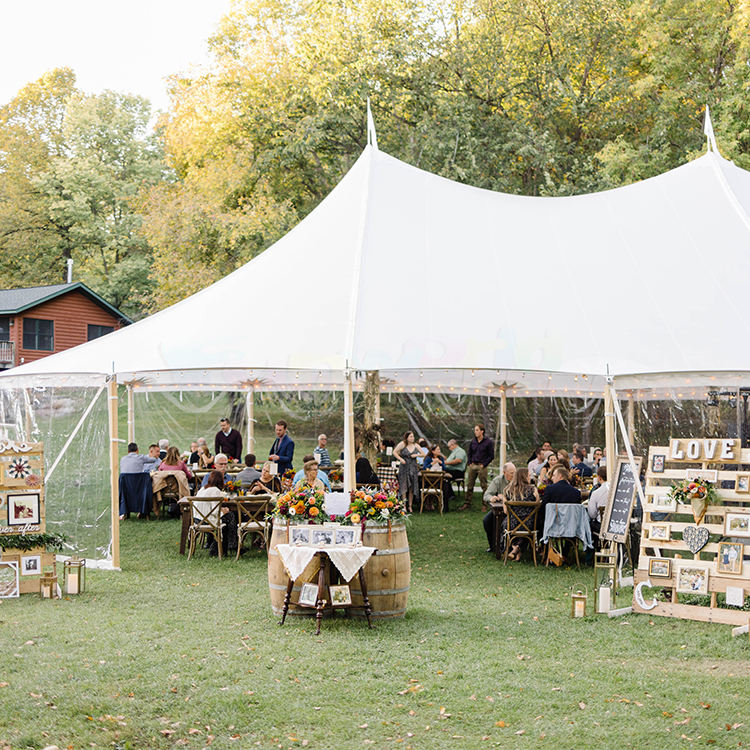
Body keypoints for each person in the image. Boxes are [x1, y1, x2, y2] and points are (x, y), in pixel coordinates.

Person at [490, 468, 538, 559]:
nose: (530, 478)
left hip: (511, 524)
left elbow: (505, 511)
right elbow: (537, 505)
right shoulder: (533, 490)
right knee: (525, 526)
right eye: (528, 476)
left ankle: (514, 549)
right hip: (530, 524)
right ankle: (518, 550)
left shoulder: (508, 490)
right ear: (524, 477)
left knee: (507, 524)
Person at [194, 470, 236, 556]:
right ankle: (231, 545)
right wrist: (223, 510)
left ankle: (218, 547)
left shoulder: (203, 489)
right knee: (230, 516)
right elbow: (215, 511)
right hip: (207, 520)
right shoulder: (215, 491)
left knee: (226, 519)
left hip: (197, 519)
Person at [460, 424, 495, 511]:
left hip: (482, 466)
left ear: (482, 431)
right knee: (470, 485)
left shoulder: (488, 442)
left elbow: (491, 456)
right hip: (473, 465)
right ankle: (467, 503)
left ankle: (485, 504)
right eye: (475, 430)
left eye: (477, 430)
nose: (475, 432)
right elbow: (469, 453)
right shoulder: (473, 441)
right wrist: (469, 463)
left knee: (484, 486)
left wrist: (484, 464)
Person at [481, 463, 516, 547]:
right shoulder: (498, 480)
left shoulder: (518, 480)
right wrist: (492, 498)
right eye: (511, 473)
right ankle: (493, 545)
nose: (514, 475)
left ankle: (513, 545)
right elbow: (486, 495)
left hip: (515, 509)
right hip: (500, 509)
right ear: (504, 472)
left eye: (515, 472)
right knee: (487, 521)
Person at [394, 431, 425, 512]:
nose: (413, 438)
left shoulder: (416, 445)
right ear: (407, 437)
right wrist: (400, 459)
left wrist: (416, 455)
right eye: (411, 436)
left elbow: (423, 454)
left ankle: (410, 506)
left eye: (413, 436)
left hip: (413, 467)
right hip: (404, 467)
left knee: (412, 487)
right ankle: (404, 505)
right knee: (404, 486)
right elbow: (394, 452)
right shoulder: (402, 444)